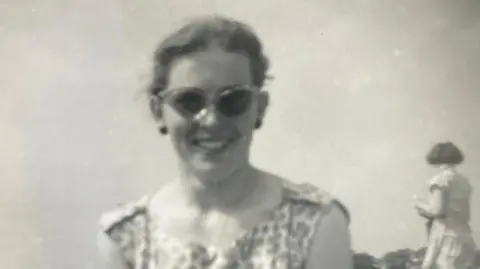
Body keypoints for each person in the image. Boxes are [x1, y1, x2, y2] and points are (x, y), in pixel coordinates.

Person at [96, 15, 353, 269]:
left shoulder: (315, 222)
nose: (211, 121)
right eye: (189, 101)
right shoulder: (126, 237)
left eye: (233, 100)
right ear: (158, 111)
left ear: (260, 108)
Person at [413, 141, 477, 269]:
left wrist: (418, 203)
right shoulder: (464, 181)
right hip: (465, 236)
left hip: (446, 236)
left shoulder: (440, 181)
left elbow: (437, 210)